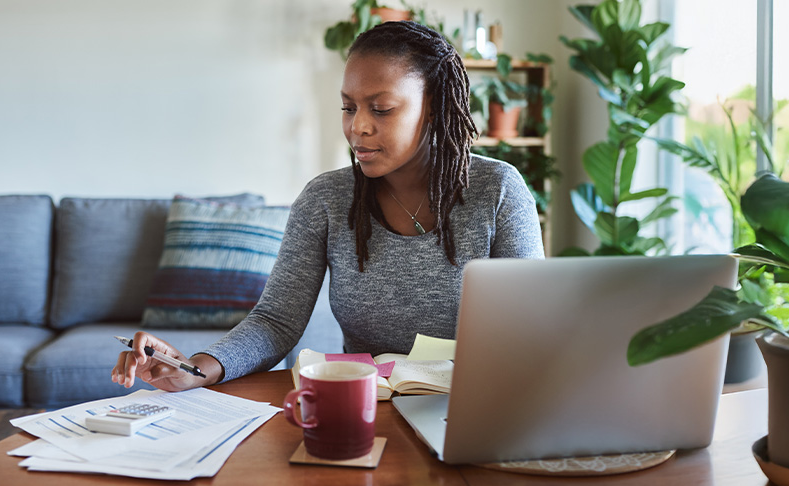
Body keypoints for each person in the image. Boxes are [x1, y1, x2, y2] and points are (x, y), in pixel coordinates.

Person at [111, 21, 544, 392]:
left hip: (478, 404)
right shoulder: (326, 200)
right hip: (368, 408)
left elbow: (530, 329)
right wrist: (194, 370)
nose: (358, 126)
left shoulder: (498, 190)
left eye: (381, 109)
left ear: (434, 109)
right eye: (348, 107)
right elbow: (275, 322)